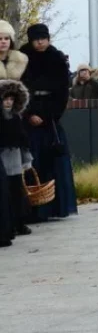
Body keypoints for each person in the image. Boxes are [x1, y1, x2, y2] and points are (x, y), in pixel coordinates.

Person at [21, 23, 79, 217]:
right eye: (37, 38)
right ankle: (32, 209)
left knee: (54, 161)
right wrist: (28, 114)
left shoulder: (57, 58)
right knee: (31, 163)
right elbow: (18, 89)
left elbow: (63, 93)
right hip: (28, 112)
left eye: (43, 38)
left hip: (50, 119)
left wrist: (47, 116)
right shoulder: (22, 58)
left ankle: (56, 206)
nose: (40, 42)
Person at [0, 79, 32, 247]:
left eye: (11, 99)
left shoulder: (16, 118)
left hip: (15, 158)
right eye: (5, 99)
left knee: (16, 191)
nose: (8, 102)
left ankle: (18, 222)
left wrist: (27, 160)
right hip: (3, 158)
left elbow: (23, 140)